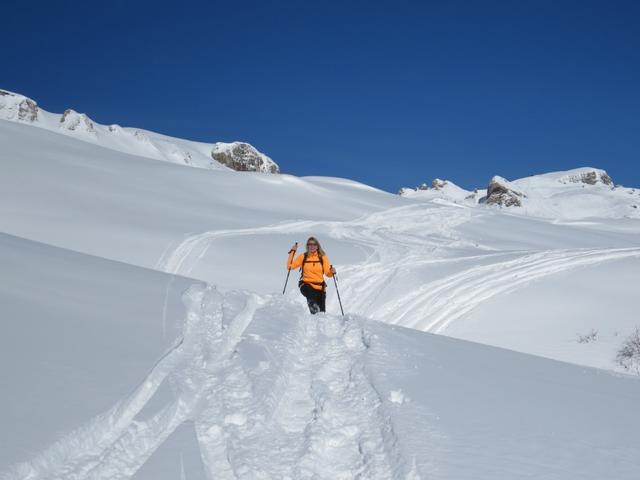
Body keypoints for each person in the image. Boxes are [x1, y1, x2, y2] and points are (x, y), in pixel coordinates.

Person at [286, 237, 336, 314]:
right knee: (313, 306)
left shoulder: (322, 257)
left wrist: (332, 272)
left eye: (314, 244)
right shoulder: (303, 256)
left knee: (321, 313)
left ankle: (318, 323)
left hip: (320, 288)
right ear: (307, 246)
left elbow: (327, 273)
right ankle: (314, 311)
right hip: (306, 285)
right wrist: (293, 252)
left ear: (317, 246)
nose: (312, 246)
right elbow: (290, 266)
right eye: (310, 244)